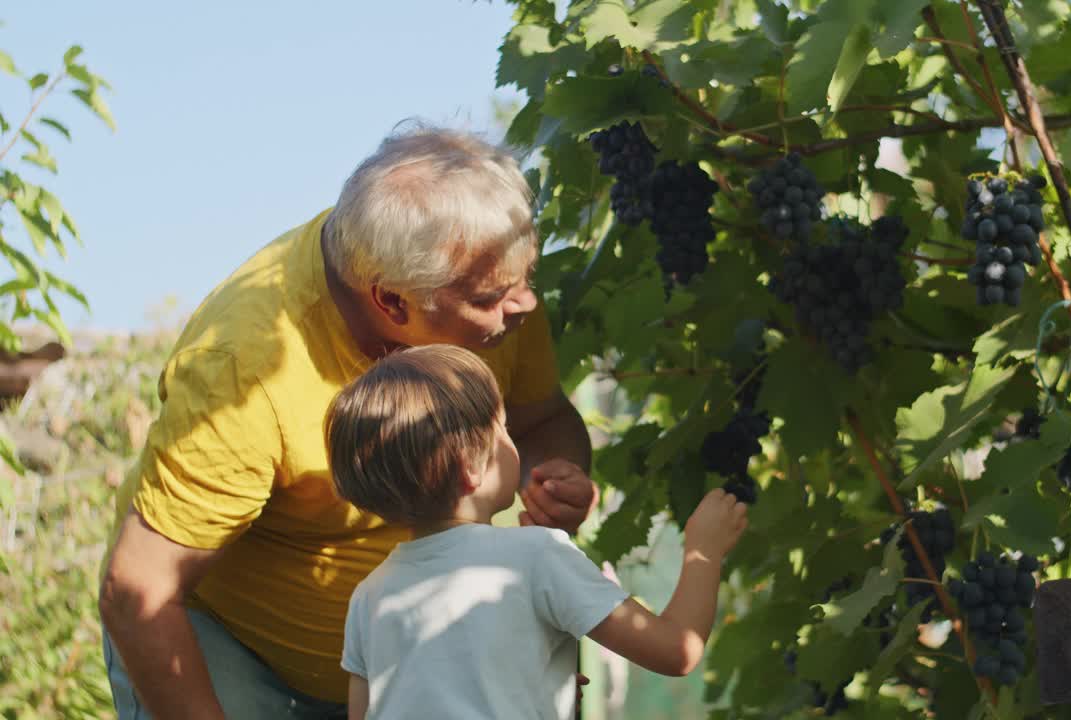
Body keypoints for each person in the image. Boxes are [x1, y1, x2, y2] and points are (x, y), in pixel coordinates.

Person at [97, 123, 600, 720]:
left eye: (525, 279)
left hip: (408, 668)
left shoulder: (488, 288)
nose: (524, 305)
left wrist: (556, 482)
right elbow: (139, 593)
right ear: (392, 302)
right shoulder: (245, 367)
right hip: (234, 657)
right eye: (493, 295)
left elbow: (542, 420)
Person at [325, 344, 749, 720]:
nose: (513, 442)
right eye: (503, 428)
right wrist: (704, 550)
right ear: (471, 468)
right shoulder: (535, 555)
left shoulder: (369, 594)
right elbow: (677, 650)